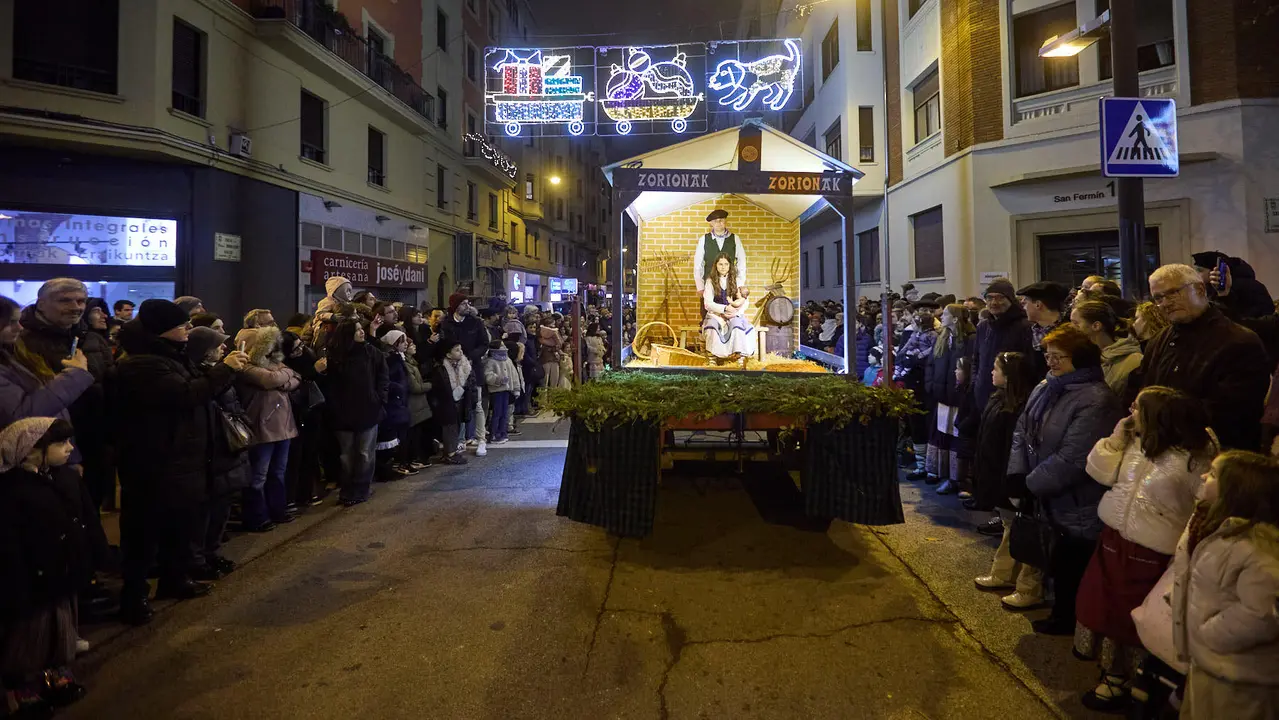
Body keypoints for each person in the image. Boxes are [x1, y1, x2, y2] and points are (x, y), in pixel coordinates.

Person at [1070, 387, 1216, 711]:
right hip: (1114, 539)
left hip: (1153, 551)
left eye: (1138, 407)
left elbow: (1201, 507)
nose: (1130, 410)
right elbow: (1098, 471)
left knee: (1134, 620)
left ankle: (1138, 681)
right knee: (1105, 610)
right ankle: (1113, 675)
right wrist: (1114, 440)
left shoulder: (1194, 458)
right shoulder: (1136, 443)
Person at [113, 299, 251, 625]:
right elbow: (187, 395)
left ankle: (175, 579)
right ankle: (134, 596)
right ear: (164, 329)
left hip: (184, 460)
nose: (189, 329)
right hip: (155, 462)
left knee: (181, 526)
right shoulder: (142, 365)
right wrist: (226, 369)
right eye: (183, 325)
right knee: (144, 534)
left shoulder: (173, 357)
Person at [1008, 325, 1122, 633]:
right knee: (1056, 559)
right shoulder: (1047, 387)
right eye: (1048, 355)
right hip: (1046, 490)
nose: (1051, 362)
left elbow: (1074, 458)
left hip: (1078, 499)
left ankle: (1071, 620)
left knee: (1073, 563)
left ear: (1081, 359)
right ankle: (1061, 612)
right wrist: (1018, 473)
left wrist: (1032, 483)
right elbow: (1023, 429)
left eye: (1060, 356)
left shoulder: (1096, 400)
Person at [0, 417, 104, 715]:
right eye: (61, 443)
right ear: (33, 450)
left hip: (60, 573)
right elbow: (10, 545)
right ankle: (21, 689)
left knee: (60, 628)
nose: (70, 448)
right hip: (33, 580)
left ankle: (55, 671)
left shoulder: (59, 478)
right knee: (29, 636)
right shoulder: (11, 492)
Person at [1171, 450, 1279, 719]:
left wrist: (1209, 633)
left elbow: (1262, 613)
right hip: (1210, 666)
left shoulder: (1259, 548)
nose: (1205, 475)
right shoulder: (1214, 526)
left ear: (1236, 492)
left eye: (1214, 474)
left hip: (1239, 679)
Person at [1139, 264, 1270, 451]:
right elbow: (1142, 384)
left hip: (1216, 454)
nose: (1165, 303)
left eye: (1173, 293)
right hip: (1164, 447)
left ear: (1200, 289)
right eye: (1158, 298)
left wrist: (1161, 416)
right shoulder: (1159, 340)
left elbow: (1232, 413)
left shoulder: (1239, 341)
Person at [971, 351, 1042, 596]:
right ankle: (1007, 576)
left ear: (1009, 375)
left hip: (1008, 477)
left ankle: (1015, 580)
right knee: (1009, 525)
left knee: (1015, 528)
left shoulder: (1018, 408)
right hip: (995, 474)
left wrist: (1011, 483)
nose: (992, 372)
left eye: (996, 368)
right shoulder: (999, 399)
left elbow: (1012, 450)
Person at [184, 326, 250, 581]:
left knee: (221, 508)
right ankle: (197, 560)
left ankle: (211, 554)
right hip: (209, 451)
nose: (224, 348)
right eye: (217, 345)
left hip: (227, 448)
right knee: (202, 513)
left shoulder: (221, 371)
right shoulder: (199, 376)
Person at [0, 296, 94, 437]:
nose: (76, 307)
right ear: (42, 305)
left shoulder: (10, 352)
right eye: (64, 300)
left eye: (81, 301)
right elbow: (21, 416)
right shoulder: (24, 344)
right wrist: (74, 375)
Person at [316, 319, 387, 507]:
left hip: (368, 411)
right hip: (342, 414)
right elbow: (328, 385)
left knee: (364, 453)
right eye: (357, 331)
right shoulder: (334, 357)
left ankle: (362, 488)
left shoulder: (372, 353)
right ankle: (347, 489)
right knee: (346, 455)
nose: (361, 333)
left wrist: (379, 398)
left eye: (361, 329)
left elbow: (383, 376)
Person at [236, 326, 301, 531]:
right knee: (258, 476)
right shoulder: (245, 367)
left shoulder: (275, 363)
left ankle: (277, 510)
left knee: (278, 472)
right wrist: (286, 376)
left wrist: (285, 378)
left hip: (283, 427)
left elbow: (296, 378)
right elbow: (269, 380)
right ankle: (257, 516)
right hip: (262, 427)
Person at [924, 304, 975, 492]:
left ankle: (959, 478)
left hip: (959, 398)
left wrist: (965, 388)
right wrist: (930, 384)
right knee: (941, 436)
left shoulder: (970, 340)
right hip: (942, 397)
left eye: (945, 314)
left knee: (957, 438)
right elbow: (931, 363)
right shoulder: (942, 339)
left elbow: (971, 367)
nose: (941, 316)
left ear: (955, 319)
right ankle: (942, 474)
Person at [972, 278, 1035, 412]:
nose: (994, 302)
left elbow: (1029, 365)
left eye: (1000, 298)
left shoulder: (1025, 327)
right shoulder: (983, 327)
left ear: (1010, 300)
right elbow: (976, 359)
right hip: (982, 397)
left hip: (1011, 401)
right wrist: (976, 382)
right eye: (989, 298)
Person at [441, 293, 490, 456]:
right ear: (455, 306)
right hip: (453, 369)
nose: (466, 306)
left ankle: (481, 439)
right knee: (458, 404)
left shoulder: (475, 323)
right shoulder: (446, 324)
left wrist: (471, 356)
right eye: (463, 303)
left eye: (468, 303)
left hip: (473, 368)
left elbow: (484, 343)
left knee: (477, 405)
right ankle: (460, 440)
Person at [1070, 300, 1142, 397]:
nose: (1070, 329)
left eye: (1076, 324)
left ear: (1096, 326)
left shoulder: (1133, 361)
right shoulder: (1077, 357)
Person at [701, 253, 756, 360]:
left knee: (737, 326)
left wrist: (736, 312)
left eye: (726, 264)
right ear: (716, 265)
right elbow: (708, 303)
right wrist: (724, 308)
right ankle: (714, 357)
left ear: (730, 266)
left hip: (733, 314)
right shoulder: (710, 281)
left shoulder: (737, 280)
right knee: (712, 327)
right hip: (716, 314)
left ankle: (738, 357)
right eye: (720, 264)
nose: (723, 267)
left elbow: (745, 301)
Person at [373, 329, 411, 482]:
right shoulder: (391, 359)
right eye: (402, 341)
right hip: (392, 404)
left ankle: (392, 467)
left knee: (395, 438)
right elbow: (387, 379)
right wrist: (398, 389)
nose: (406, 344)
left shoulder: (397, 358)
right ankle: (385, 471)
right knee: (387, 441)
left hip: (398, 403)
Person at [1192, 250, 1274, 320]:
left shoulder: (1244, 288)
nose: (1195, 274)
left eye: (1200, 270)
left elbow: (1235, 319)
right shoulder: (1209, 288)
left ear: (1215, 270)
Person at [429, 340, 473, 465]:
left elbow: (468, 380)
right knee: (449, 428)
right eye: (457, 350)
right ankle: (450, 453)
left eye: (461, 349)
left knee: (456, 426)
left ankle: (451, 451)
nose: (461, 352)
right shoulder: (441, 369)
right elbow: (441, 387)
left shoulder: (462, 365)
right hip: (446, 402)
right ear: (448, 354)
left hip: (459, 401)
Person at [1016, 280, 1069, 378]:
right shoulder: (1027, 331)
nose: (1024, 308)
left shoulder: (1069, 333)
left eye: (1025, 303)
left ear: (1038, 304)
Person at [692, 209, 746, 294]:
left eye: (721, 220)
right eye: (715, 221)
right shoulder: (704, 239)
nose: (718, 223)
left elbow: (741, 263)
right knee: (708, 306)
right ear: (711, 223)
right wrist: (700, 286)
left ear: (725, 221)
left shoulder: (735, 239)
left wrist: (740, 284)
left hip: (730, 284)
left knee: (729, 306)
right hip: (709, 284)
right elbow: (698, 264)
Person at [483, 338, 523, 445]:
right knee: (497, 413)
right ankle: (494, 434)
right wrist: (498, 379)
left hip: (507, 390)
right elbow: (488, 375)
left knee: (505, 413)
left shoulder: (508, 360)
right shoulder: (490, 361)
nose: (504, 348)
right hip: (496, 390)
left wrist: (516, 388)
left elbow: (514, 375)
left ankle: (503, 432)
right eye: (502, 346)